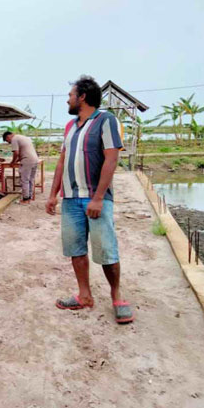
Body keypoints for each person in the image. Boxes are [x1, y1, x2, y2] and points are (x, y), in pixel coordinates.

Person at [45, 75, 134, 324]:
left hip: (96, 199)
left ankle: (116, 295)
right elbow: (62, 161)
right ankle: (84, 296)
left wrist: (97, 198)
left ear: (82, 97)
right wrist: (53, 195)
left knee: (106, 249)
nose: (68, 100)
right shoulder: (69, 127)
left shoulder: (106, 120)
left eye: (71, 95)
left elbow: (111, 159)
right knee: (76, 250)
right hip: (71, 199)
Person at [2, 131, 39, 203]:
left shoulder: (14, 139)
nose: (9, 143)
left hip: (27, 160)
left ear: (8, 137)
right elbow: (23, 152)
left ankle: (25, 199)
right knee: (31, 179)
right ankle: (30, 197)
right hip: (35, 159)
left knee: (24, 180)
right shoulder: (24, 137)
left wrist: (13, 162)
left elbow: (16, 153)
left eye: (7, 141)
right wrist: (17, 160)